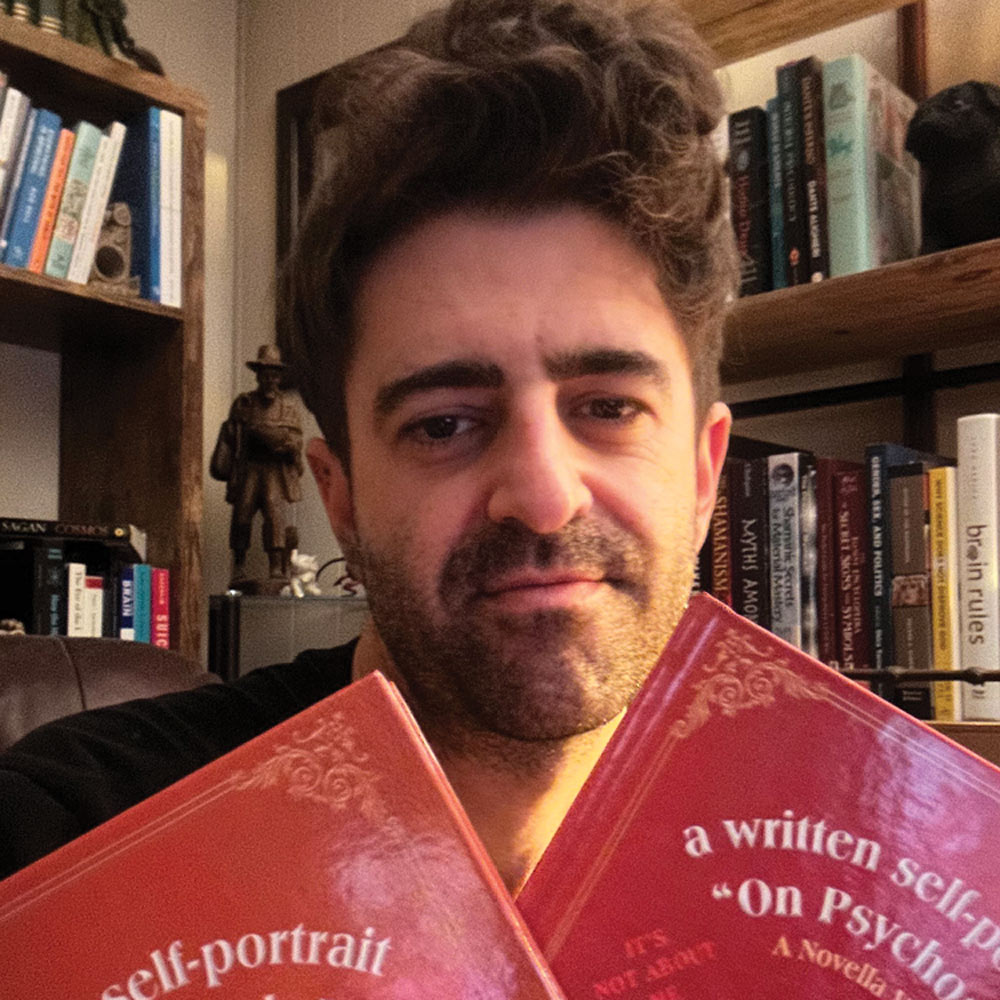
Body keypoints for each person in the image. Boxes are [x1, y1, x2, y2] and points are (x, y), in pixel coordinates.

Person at [0, 0, 734, 892]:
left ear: (703, 470)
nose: (545, 496)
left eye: (610, 408)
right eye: (444, 424)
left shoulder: (865, 877)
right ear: (337, 496)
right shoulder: (73, 844)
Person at [210, 344, 304, 587]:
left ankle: (276, 568)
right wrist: (240, 430)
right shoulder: (244, 404)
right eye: (265, 374)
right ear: (258, 375)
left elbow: (296, 442)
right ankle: (238, 566)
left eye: (274, 374)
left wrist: (283, 445)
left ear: (280, 377)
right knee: (242, 515)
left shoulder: (288, 409)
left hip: (274, 470)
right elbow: (232, 435)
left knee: (275, 515)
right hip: (249, 468)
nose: (270, 379)